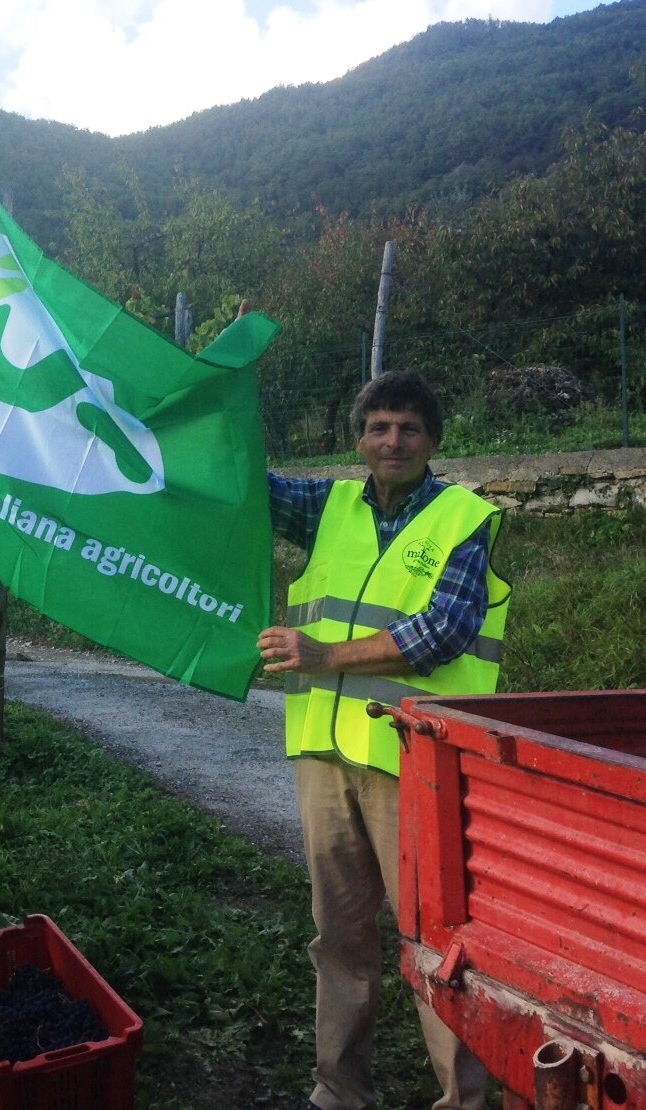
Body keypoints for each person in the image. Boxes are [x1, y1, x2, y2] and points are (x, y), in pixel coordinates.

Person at [257, 371, 510, 1110]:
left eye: (407, 428)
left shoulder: (465, 518)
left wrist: (324, 655)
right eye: (378, 426)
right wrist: (237, 384)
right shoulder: (327, 504)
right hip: (324, 758)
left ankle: (464, 1100)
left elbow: (443, 633)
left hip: (419, 762)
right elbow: (243, 478)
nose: (391, 440)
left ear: (433, 440)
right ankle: (338, 1090)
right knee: (337, 936)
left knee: (437, 942)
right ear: (359, 438)